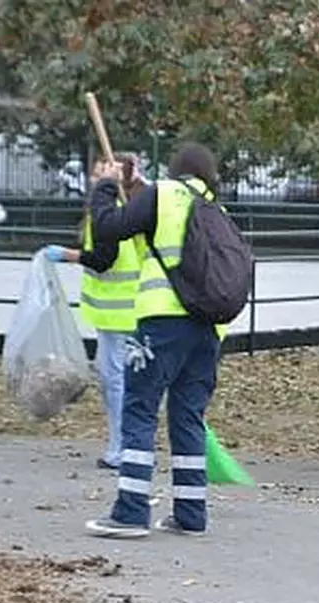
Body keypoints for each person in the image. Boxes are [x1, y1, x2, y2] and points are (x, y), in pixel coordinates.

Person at [81, 142, 229, 539]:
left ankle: (130, 512)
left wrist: (105, 186)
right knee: (188, 416)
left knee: (140, 409)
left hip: (162, 322)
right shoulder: (214, 208)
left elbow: (108, 228)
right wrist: (131, 186)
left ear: (175, 168)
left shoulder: (164, 195)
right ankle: (191, 513)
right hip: (207, 329)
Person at [41, 154, 148, 471]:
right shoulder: (122, 211)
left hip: (120, 312)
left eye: (101, 173)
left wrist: (66, 255)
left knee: (116, 382)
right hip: (117, 312)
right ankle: (123, 444)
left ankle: (122, 448)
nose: (93, 178)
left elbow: (103, 258)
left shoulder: (114, 214)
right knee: (114, 379)